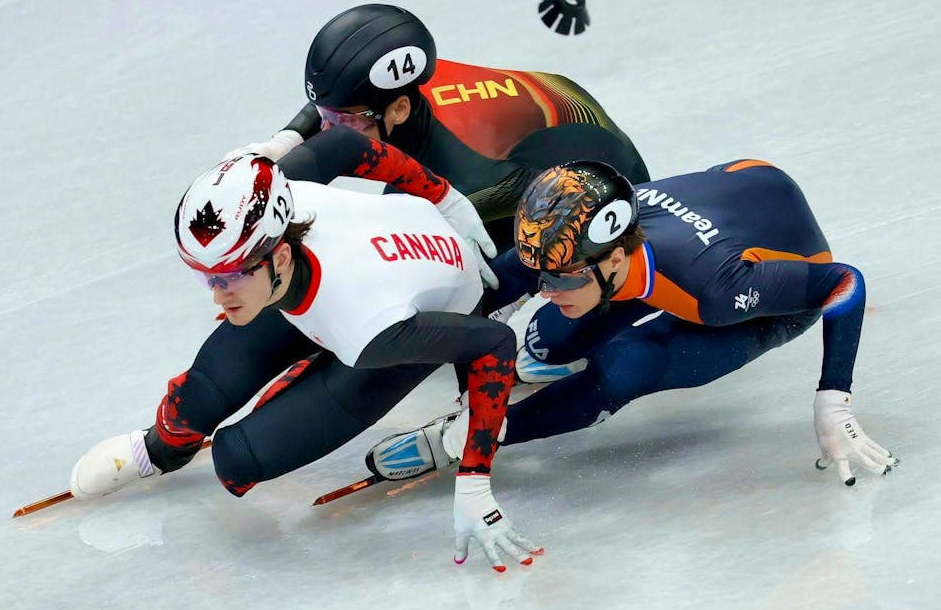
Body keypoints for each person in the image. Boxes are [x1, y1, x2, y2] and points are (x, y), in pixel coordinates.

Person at [70, 147, 541, 572]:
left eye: (229, 276)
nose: (217, 294)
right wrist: (442, 196)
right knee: (197, 399)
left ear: (277, 254)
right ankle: (157, 450)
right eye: (205, 277)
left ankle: (303, 371)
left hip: (398, 327)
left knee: (239, 459)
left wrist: (475, 476)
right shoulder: (281, 192)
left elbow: (494, 343)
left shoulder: (366, 326)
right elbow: (349, 146)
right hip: (344, 281)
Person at [370, 158, 897, 490]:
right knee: (547, 340)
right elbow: (498, 286)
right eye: (542, 276)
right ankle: (573, 348)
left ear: (616, 259)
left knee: (630, 365)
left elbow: (844, 281)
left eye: (564, 279)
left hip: (765, 291)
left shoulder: (715, 290)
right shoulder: (583, 239)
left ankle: (465, 437)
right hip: (740, 181)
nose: (548, 291)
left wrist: (834, 396)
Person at [249, 3, 650, 251]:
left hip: (598, 170)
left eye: (344, 121)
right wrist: (286, 140)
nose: (329, 129)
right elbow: (335, 105)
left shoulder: (464, 167)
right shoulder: (388, 90)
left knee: (424, 232)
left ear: (400, 109)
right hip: (541, 123)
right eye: (327, 117)